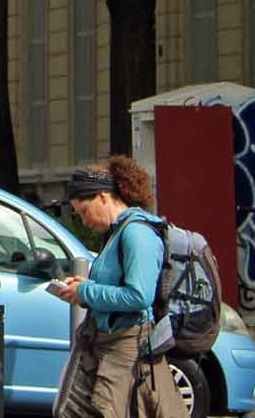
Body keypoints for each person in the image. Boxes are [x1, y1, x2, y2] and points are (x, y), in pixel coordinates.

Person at [51, 157, 187, 418]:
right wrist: (85, 289)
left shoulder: (136, 232)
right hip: (104, 342)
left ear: (103, 197)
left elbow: (138, 295)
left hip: (127, 346)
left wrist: (85, 292)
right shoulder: (116, 233)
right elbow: (114, 287)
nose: (84, 222)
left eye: (84, 212)